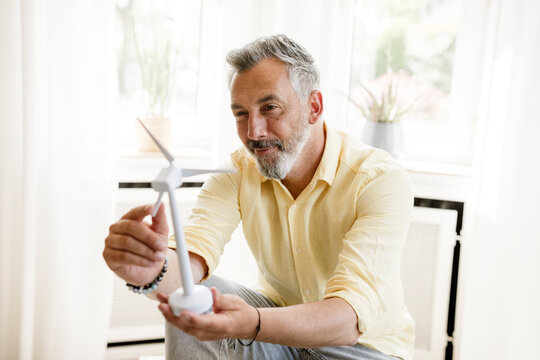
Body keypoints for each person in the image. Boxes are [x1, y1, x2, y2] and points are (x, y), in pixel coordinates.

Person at [103, 34, 414, 360]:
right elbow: (190, 261)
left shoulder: (379, 179)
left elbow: (347, 320)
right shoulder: (236, 172)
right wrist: (149, 271)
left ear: (314, 107)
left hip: (362, 349)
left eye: (270, 108)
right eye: (241, 113)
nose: (254, 132)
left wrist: (252, 323)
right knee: (198, 301)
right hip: (279, 335)